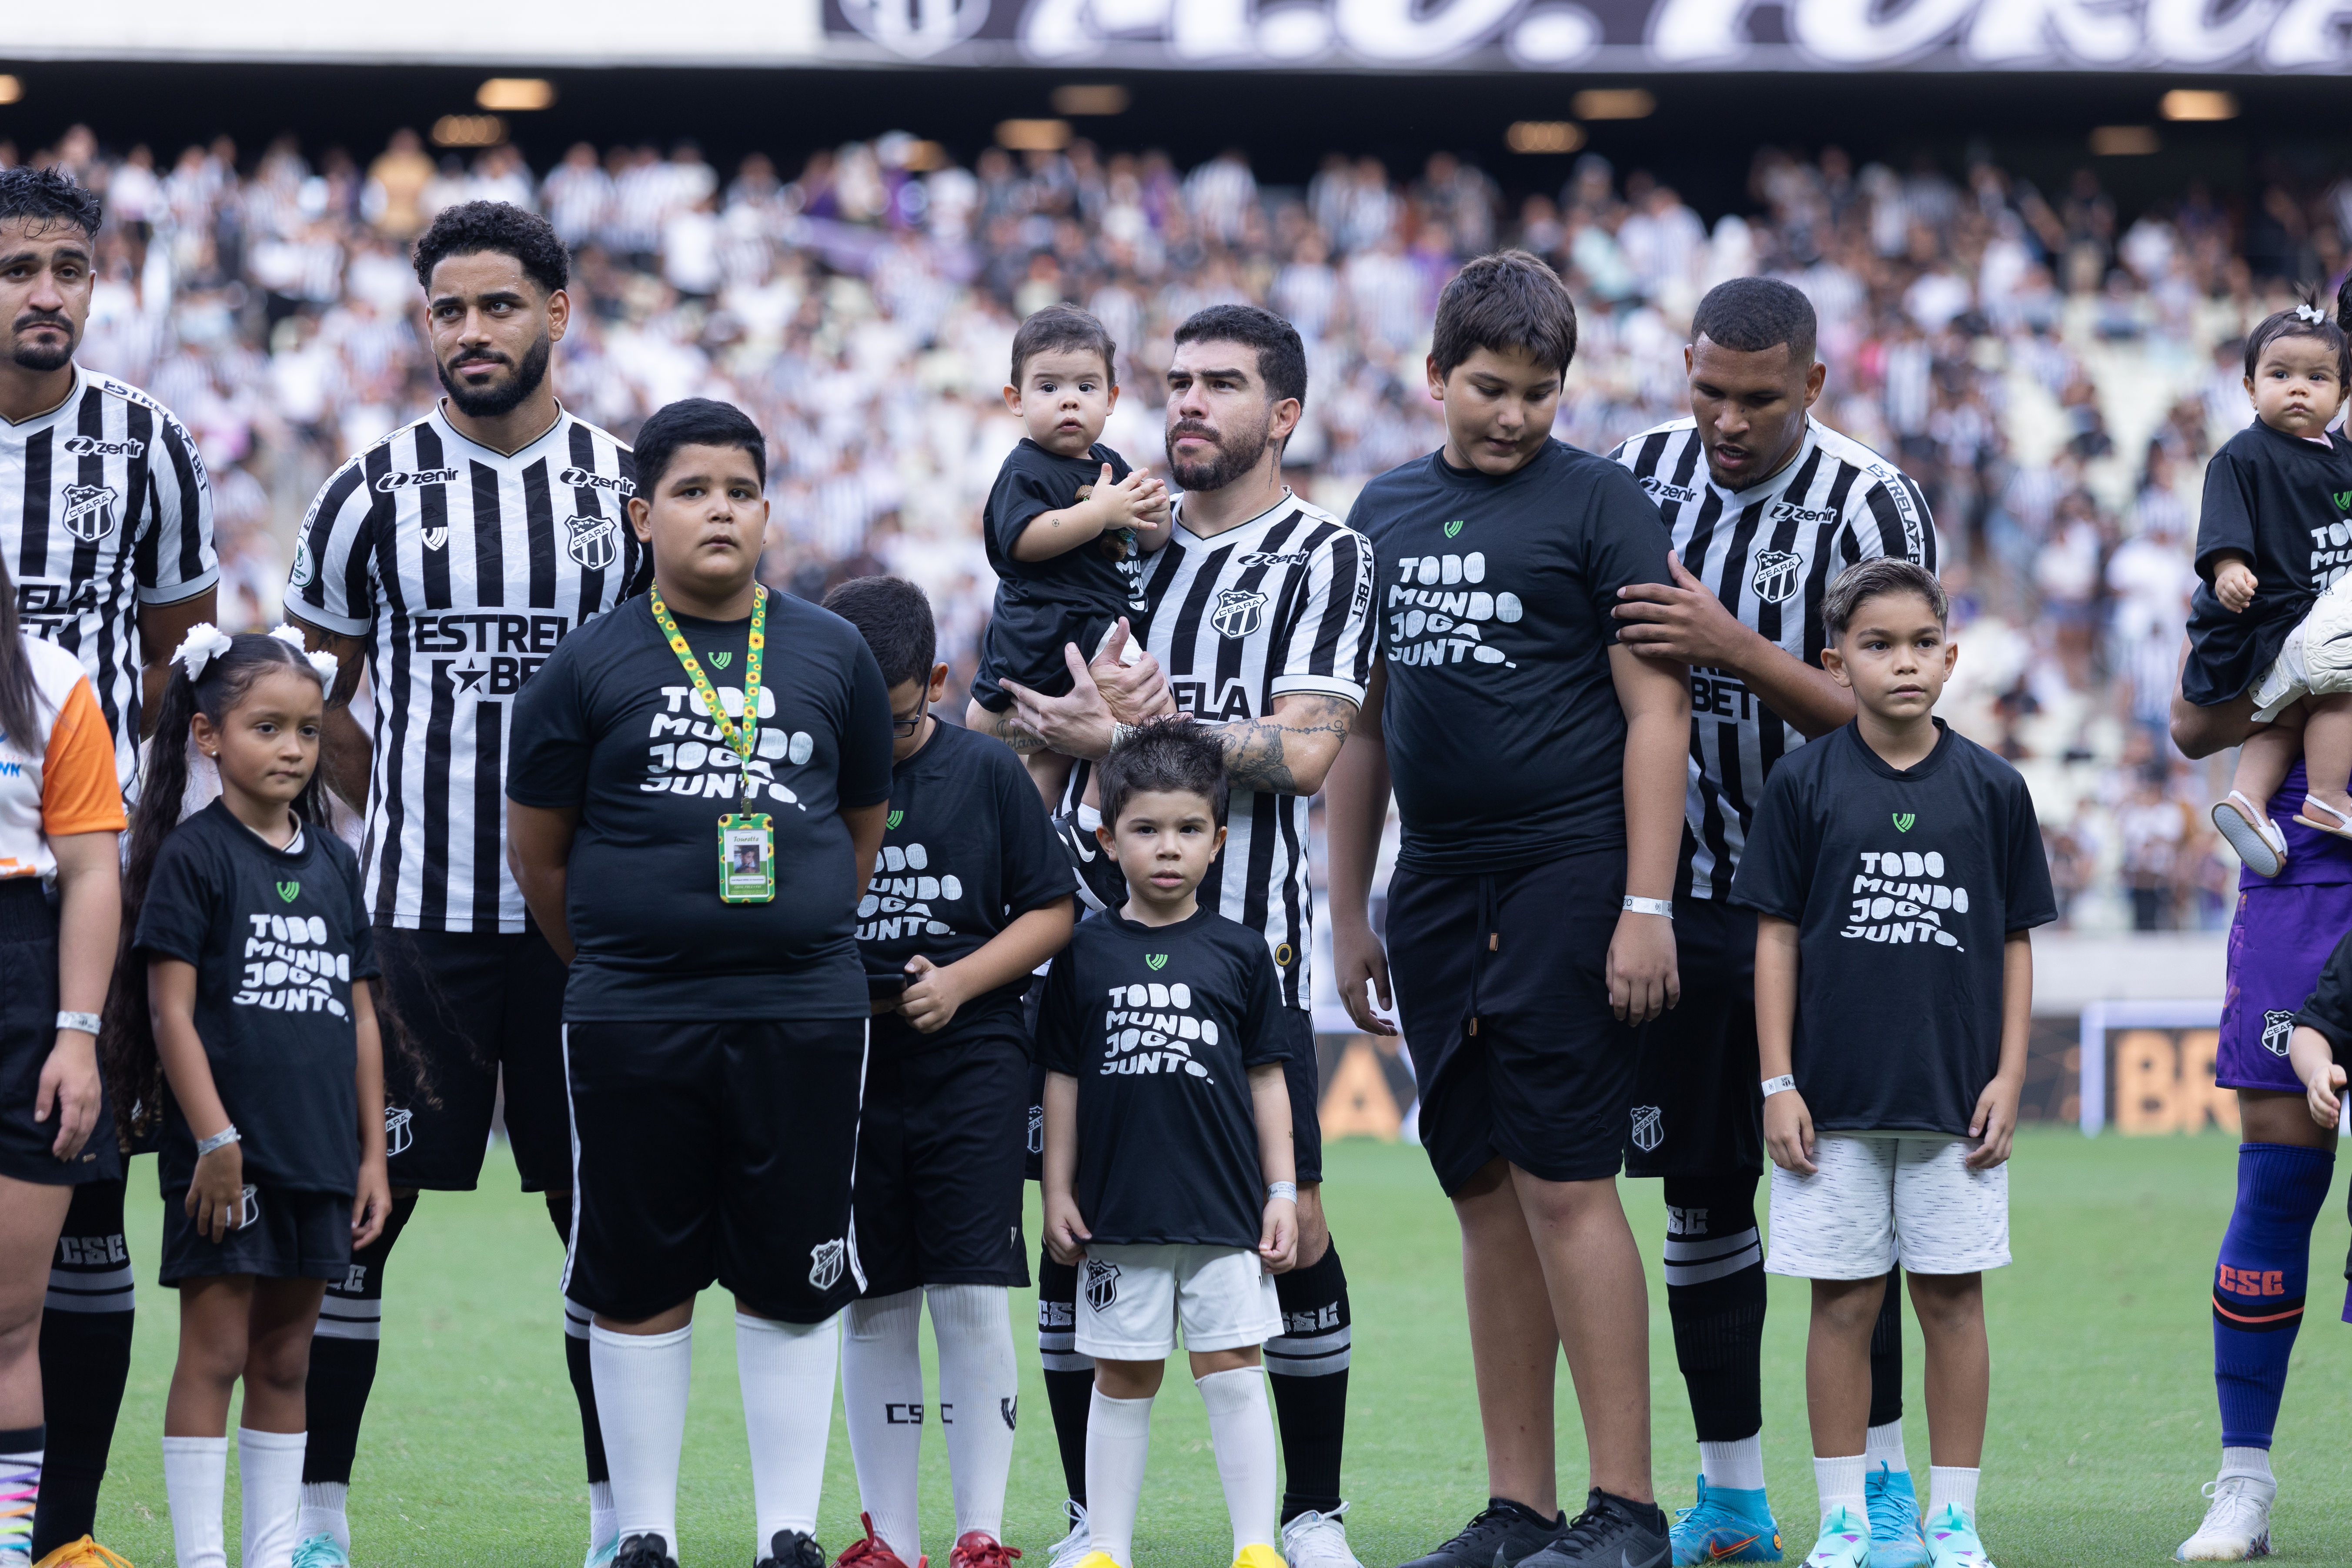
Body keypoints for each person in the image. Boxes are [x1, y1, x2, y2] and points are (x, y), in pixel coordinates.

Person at [282, 200, 644, 1568]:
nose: (474, 331)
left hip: (582, 933)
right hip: (414, 926)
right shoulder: (367, 491)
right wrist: (413, 816)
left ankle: (623, 1521)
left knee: (596, 1223)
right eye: (450, 308)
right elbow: (304, 706)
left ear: (560, 312)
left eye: (500, 305)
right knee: (358, 1219)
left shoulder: (625, 492)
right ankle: (315, 1521)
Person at [1326, 250, 1687, 1568]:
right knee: (1478, 1180)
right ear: (1434, 377)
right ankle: (1519, 1507)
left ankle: (1629, 1509)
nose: (1515, 412)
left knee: (1566, 1177)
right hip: (1433, 885)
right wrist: (1348, 904)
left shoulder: (1603, 505)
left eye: (1540, 391)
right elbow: (1364, 725)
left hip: (1569, 869)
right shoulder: (1379, 509)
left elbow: (1660, 710)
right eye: (1489, 386)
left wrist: (1645, 900)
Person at [1002, 302, 1374, 1568]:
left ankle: (1310, 1513)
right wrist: (1061, 720)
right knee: (1077, 1226)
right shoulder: (1116, 550)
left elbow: (1310, 751)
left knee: (1293, 1224)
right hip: (1089, 959)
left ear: (1284, 414)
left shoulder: (1323, 555)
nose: (1189, 403)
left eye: (1222, 383)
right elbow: (1020, 731)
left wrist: (1140, 740)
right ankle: (1081, 1519)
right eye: (1176, 381)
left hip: (1248, 955)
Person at [506, 398, 892, 1568]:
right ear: (643, 515)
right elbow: (541, 853)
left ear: (768, 512)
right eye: (690, 489)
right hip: (633, 1013)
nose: (717, 506)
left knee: (794, 1269)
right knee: (636, 1271)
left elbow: (860, 826)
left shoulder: (835, 650)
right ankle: (649, 1533)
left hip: (808, 1011)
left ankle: (789, 1528)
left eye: (738, 488)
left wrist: (787, 926)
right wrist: (635, 956)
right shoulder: (591, 660)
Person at [1604, 276, 1938, 1565]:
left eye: (1758, 398)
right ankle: (1731, 1494)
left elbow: (1894, 721)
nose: (1727, 421)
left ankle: (1889, 1490)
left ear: (1814, 384)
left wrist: (1732, 645)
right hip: (1682, 896)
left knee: (1853, 1191)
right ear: (1684, 369)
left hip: (1835, 900)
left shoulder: (1872, 501)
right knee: (1700, 1195)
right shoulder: (1632, 477)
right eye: (1708, 391)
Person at [1733, 558, 2051, 1568]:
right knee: (1841, 1302)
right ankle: (1846, 1518)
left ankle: (1951, 1517)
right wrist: (1776, 1081)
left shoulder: (1994, 789)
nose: (1902, 663)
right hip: (1830, 1105)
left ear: (1952, 658)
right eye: (1877, 646)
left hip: (1955, 1103)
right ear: (1836, 663)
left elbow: (2014, 942)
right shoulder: (1804, 783)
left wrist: (2008, 1076)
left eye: (1921, 643)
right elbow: (1775, 938)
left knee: (1954, 1301)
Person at [0, 164, 217, 1568]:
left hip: (87, 876)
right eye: (18, 267)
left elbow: (176, 659)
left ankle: (61, 1529)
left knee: (83, 1212)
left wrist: (138, 864)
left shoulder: (147, 443)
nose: (44, 295)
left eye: (68, 269)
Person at [101, 625, 391, 1568]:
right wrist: (215, 1140)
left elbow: (360, 1017)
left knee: (285, 1359)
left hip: (318, 1155)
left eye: (307, 731)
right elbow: (170, 1014)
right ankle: (203, 1558)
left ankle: (272, 1551)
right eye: (268, 728)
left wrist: (373, 1155)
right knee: (216, 1356)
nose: (293, 749)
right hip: (223, 1161)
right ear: (209, 736)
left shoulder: (338, 863)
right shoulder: (195, 857)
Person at [821, 572, 1073, 1568]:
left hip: (970, 1057)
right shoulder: (806, 775)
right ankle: (892, 1539)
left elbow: (1049, 912)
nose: (870, 744)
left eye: (889, 718)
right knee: (871, 1294)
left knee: (970, 1288)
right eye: (849, 719)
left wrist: (963, 981)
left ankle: (980, 1534)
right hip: (849, 1068)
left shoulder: (987, 773)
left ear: (935, 680)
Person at [2161, 271, 2352, 1565]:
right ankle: (2245, 1480)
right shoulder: (2278, 484)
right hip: (2310, 864)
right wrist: (2287, 672)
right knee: (2280, 1164)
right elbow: (2192, 719)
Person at [1035, 720, 1296, 1568]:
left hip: (1224, 1214)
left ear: (1218, 841)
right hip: (1119, 1214)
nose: (1168, 848)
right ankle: (1105, 1545)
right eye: (1146, 830)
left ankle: (1255, 1546)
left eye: (1188, 829)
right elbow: (1064, 1081)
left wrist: (1283, 1192)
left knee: (1231, 1370)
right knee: (1123, 1378)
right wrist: (1059, 1191)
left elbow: (1267, 1080)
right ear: (1109, 840)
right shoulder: (1082, 953)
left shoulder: (1241, 953)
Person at [962, 303, 1171, 903]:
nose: (1069, 401)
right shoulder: (1024, 469)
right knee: (1125, 716)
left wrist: (1148, 513)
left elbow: (1145, 532)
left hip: (1093, 627)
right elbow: (1024, 540)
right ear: (1015, 399)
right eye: (1049, 387)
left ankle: (1047, 832)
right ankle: (1078, 822)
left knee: (1077, 738)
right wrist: (1098, 512)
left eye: (1086, 387)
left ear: (1111, 398)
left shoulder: (1111, 466)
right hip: (1045, 629)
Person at [0, 557, 121, 1568]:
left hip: (21, 984)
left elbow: (88, 868)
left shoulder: (49, 681)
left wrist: (76, 1033)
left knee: (5, 1325)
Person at [2188, 304, 2352, 874]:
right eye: (2280, 375)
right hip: (2271, 618)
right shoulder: (2244, 454)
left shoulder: (2344, 462)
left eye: (2317, 377)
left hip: (2310, 621)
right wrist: (2230, 568)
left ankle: (2247, 800)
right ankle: (2329, 795)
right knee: (2338, 686)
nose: (2298, 390)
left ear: (2343, 392)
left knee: (2284, 716)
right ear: (2250, 388)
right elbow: (2224, 528)